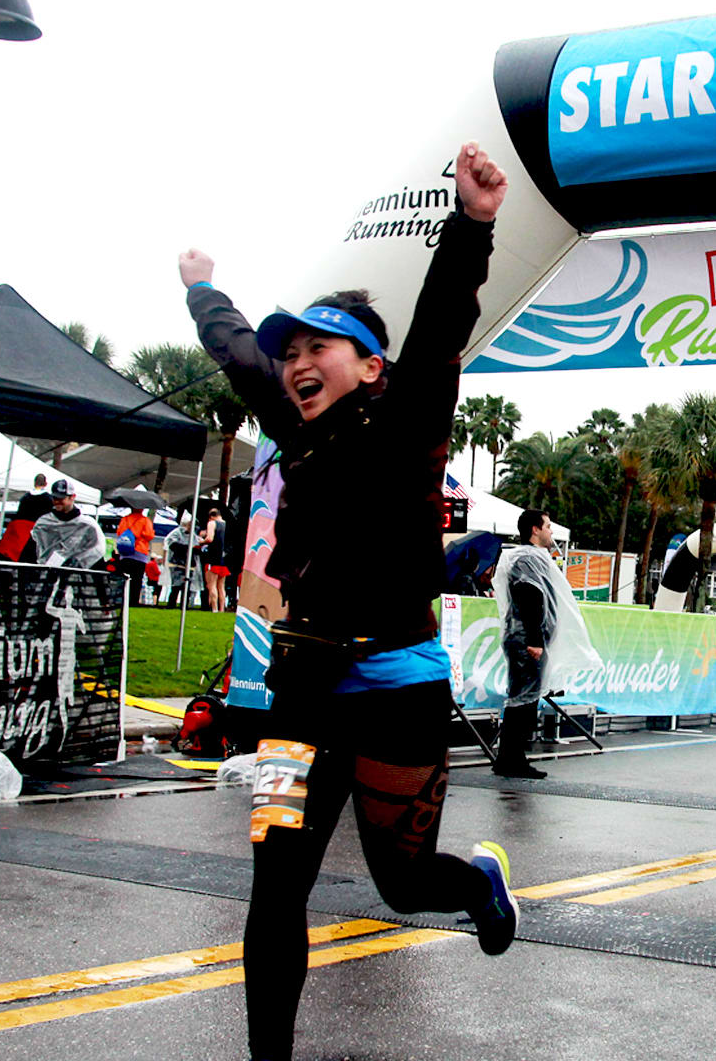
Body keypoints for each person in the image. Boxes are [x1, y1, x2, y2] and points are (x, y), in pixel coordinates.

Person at [178, 140, 519, 1061]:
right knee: (275, 889)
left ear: (369, 366)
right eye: (292, 352)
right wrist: (203, 291)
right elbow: (240, 355)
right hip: (299, 693)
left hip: (399, 690)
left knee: (403, 885)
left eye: (317, 348)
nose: (295, 363)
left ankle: (478, 882)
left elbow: (444, 317)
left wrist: (473, 223)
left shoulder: (408, 419)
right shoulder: (292, 422)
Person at [496, 509, 563, 779]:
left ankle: (509, 758)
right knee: (522, 701)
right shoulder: (526, 558)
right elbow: (529, 593)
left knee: (524, 698)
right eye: (547, 526)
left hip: (526, 636)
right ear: (535, 529)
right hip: (526, 638)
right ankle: (513, 760)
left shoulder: (531, 557)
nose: (550, 532)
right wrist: (535, 639)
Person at [19, 478, 103, 569]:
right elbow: (29, 552)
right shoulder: (44, 523)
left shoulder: (88, 525)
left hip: (75, 577)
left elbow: (97, 551)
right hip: (45, 576)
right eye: (55, 498)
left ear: (72, 497)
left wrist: (79, 560)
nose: (57, 501)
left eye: (61, 498)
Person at [114, 504, 155, 607]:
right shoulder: (145, 520)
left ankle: (122, 599)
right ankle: (133, 601)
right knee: (137, 579)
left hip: (125, 551)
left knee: (124, 577)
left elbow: (119, 532)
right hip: (139, 551)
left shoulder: (125, 519)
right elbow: (149, 535)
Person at [199, 507, 229, 612]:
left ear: (211, 517)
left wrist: (201, 541)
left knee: (212, 585)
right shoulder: (227, 524)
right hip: (224, 559)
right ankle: (222, 609)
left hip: (213, 557)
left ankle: (214, 609)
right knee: (221, 586)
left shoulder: (212, 523)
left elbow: (210, 538)